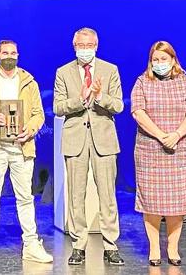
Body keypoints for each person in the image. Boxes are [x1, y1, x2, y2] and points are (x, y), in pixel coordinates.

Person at [0, 40, 53, 265]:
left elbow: (38, 114)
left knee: (25, 197)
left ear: (18, 55)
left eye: (13, 53)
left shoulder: (28, 81)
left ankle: (31, 245)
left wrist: (31, 128)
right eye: (5, 52)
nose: (9, 56)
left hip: (21, 147)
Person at [54, 27, 125, 266]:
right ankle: (78, 245)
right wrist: (81, 98)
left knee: (108, 195)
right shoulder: (63, 72)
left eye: (89, 45)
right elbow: (58, 107)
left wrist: (98, 96)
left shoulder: (110, 70)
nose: (85, 50)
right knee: (76, 195)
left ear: (96, 45)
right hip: (75, 141)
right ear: (74, 47)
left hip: (104, 140)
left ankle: (110, 245)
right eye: (80, 46)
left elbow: (118, 105)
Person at [131, 40, 186, 266]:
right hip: (150, 150)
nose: (159, 63)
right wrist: (161, 136)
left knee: (176, 203)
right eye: (155, 59)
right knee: (151, 202)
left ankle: (172, 247)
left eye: (163, 59)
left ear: (173, 60)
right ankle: (153, 247)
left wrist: (177, 134)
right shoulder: (142, 82)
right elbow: (138, 112)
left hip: (179, 150)